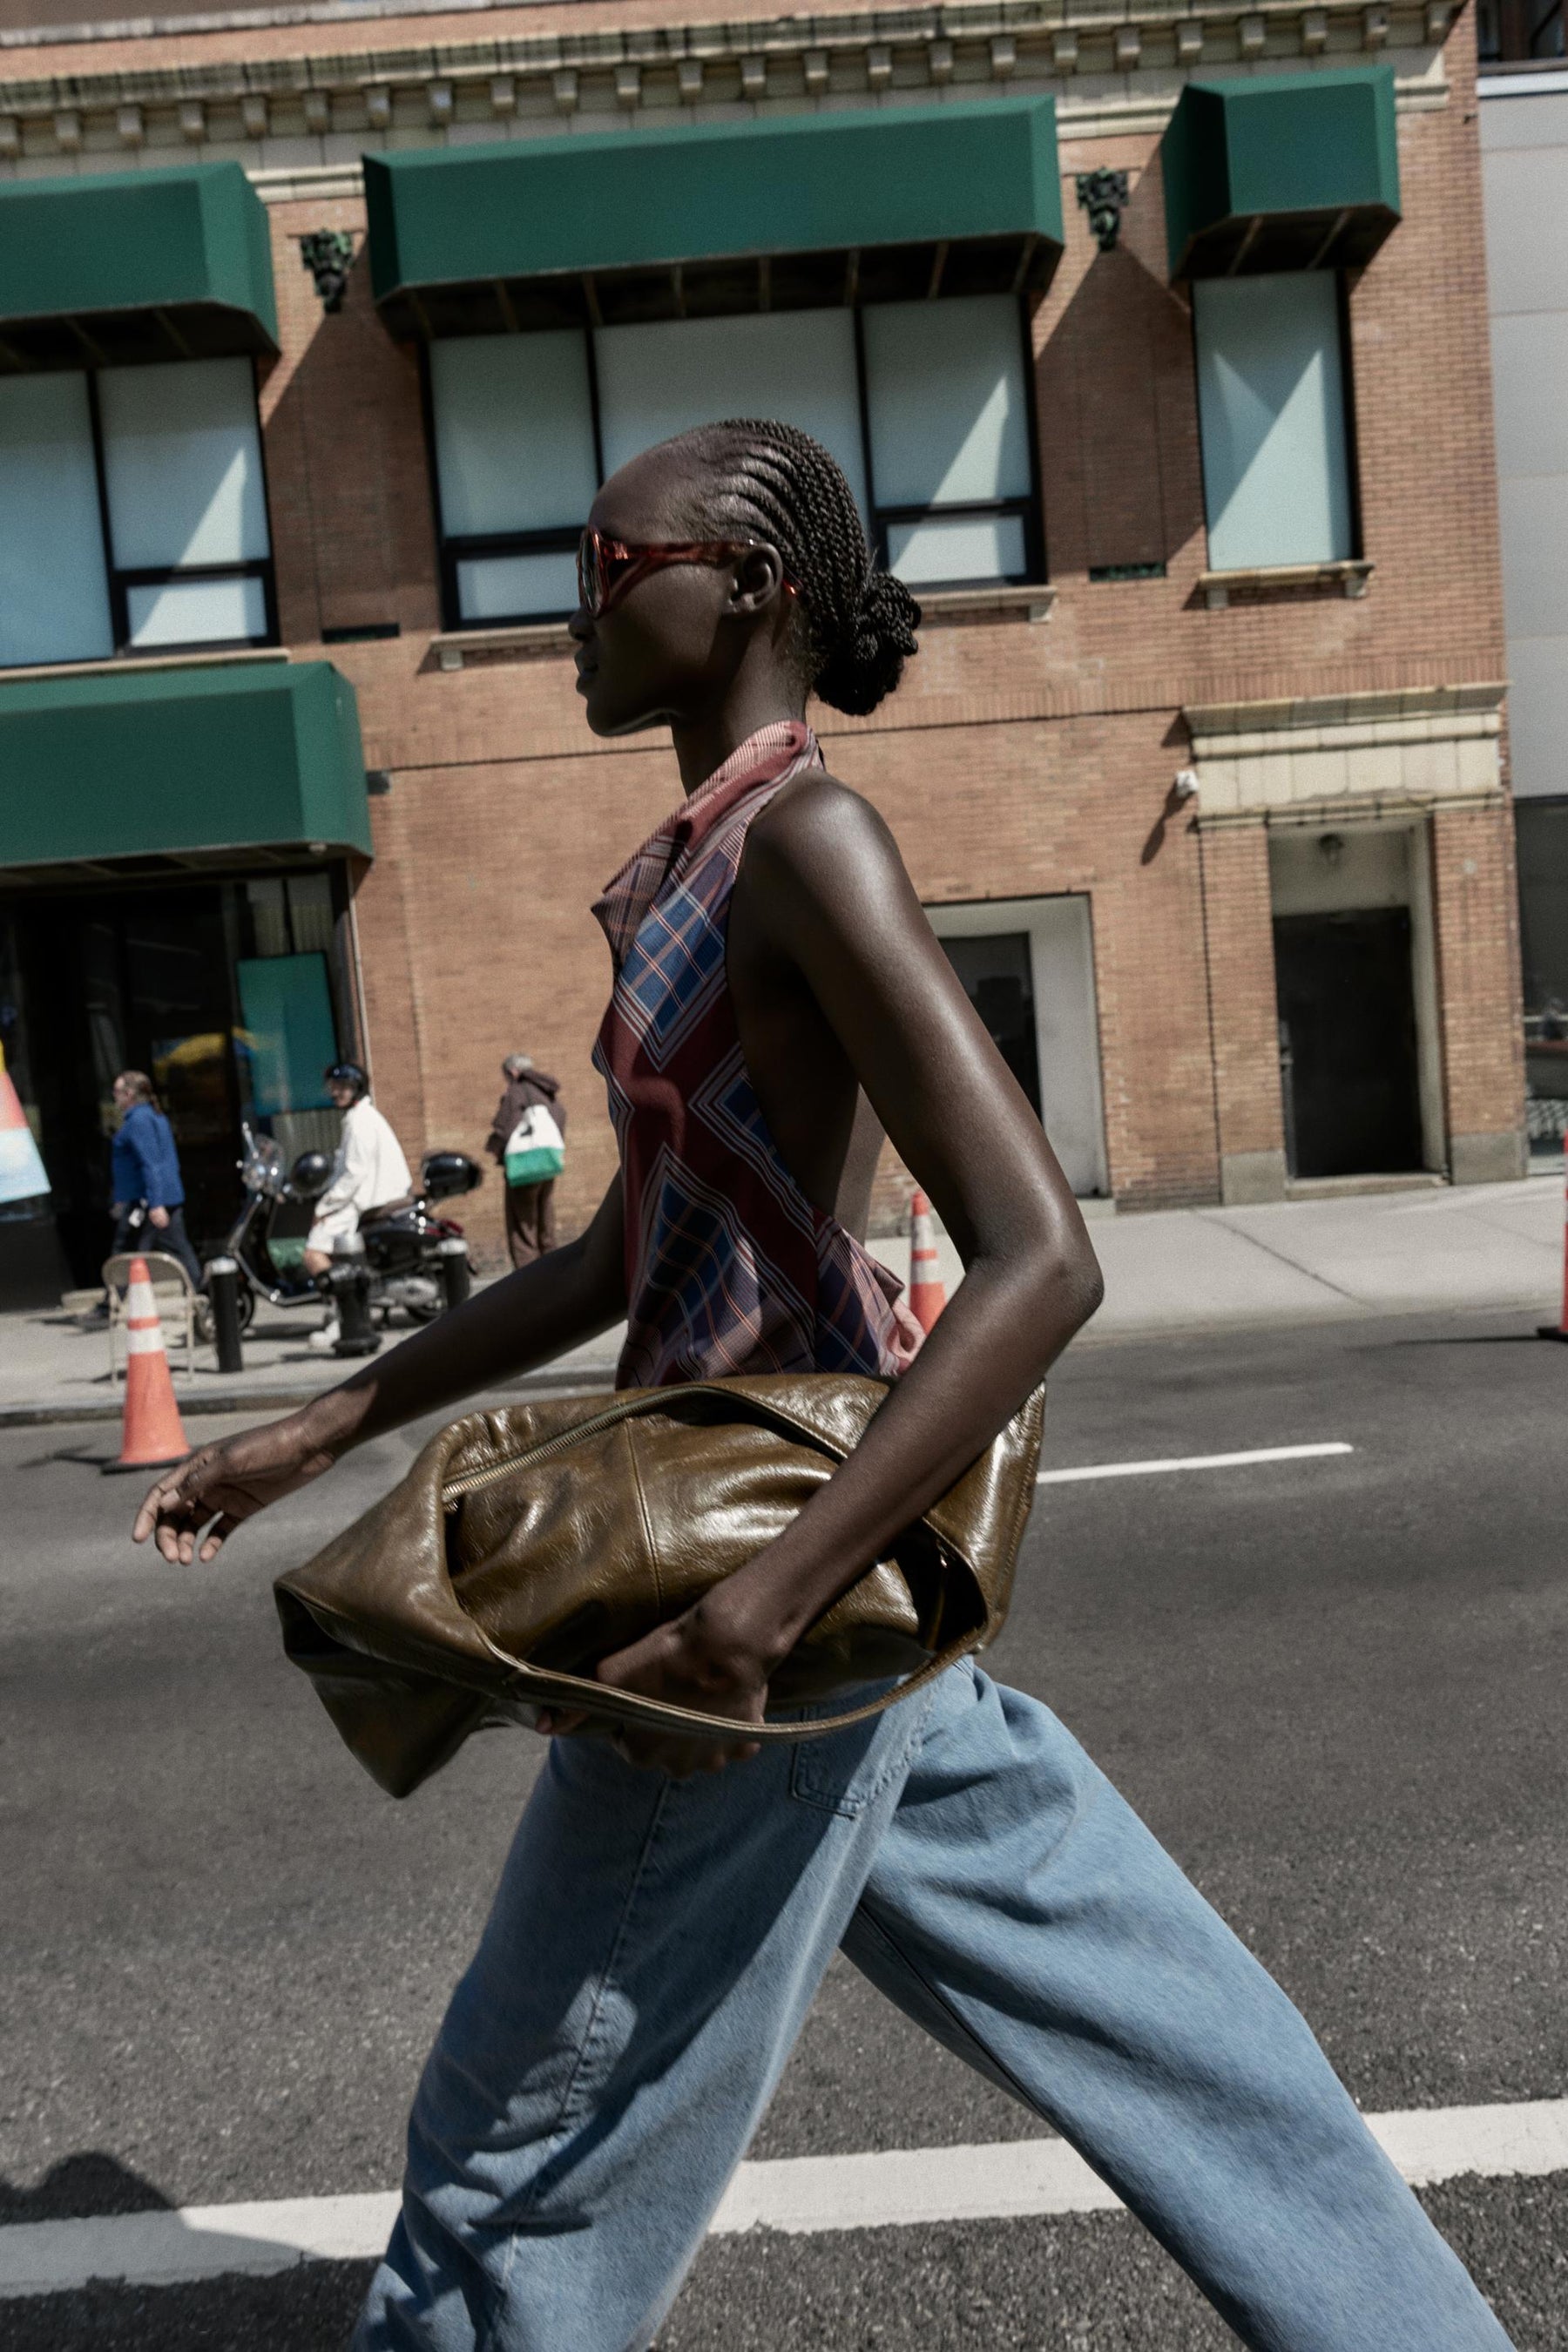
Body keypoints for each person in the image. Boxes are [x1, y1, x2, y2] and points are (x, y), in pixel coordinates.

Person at [133, 421, 1514, 2352]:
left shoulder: (807, 838)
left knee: (509, 2171)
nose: (575, 614)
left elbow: (1045, 1257)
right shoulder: (704, 859)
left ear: (750, 588)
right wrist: (302, 1433)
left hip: (759, 1575)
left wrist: (746, 1624)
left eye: (611, 572)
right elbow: (623, 1259)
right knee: (1189, 2055)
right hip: (820, 1579)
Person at [301, 1061, 411, 1354]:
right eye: (333, 1087)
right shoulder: (362, 1116)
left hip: (364, 1199)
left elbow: (354, 1173)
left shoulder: (358, 1120)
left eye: (343, 1087)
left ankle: (345, 1318)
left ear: (356, 1089)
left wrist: (323, 1207)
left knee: (314, 1254)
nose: (335, 1092)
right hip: (367, 1195)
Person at [108, 1071, 203, 1288]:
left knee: (125, 1252)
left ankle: (111, 1302)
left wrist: (156, 1203)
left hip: (146, 1201)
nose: (114, 1097)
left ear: (129, 1094)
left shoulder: (139, 1121)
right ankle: (204, 1292)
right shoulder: (154, 1116)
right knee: (177, 1249)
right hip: (160, 1198)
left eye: (117, 1091)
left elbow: (150, 1163)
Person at [485, 1052, 566, 1268]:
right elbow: (561, 1115)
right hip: (547, 1164)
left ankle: (529, 1279)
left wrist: (494, 1148)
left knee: (522, 1228)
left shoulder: (516, 1092)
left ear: (512, 1071)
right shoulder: (546, 1091)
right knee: (545, 1221)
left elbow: (504, 1128)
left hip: (524, 1167)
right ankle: (554, 1271)